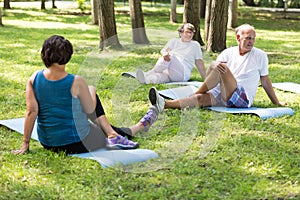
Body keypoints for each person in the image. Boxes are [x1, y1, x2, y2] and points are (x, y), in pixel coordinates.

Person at [12, 35, 158, 155]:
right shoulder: (76, 81)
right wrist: (92, 90)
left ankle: (120, 132)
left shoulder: (34, 78)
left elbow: (31, 112)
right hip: (78, 143)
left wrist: (25, 144)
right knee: (92, 97)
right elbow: (89, 110)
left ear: (44, 54)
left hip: (48, 143)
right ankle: (135, 128)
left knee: (91, 110)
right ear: (68, 56)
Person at [148, 24, 285, 112]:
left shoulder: (260, 55)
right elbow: (212, 73)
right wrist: (208, 91)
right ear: (238, 37)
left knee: (219, 67)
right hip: (222, 93)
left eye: (253, 38)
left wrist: (276, 103)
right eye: (248, 38)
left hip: (241, 98)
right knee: (201, 99)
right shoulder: (228, 52)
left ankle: (196, 93)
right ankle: (164, 104)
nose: (251, 42)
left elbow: (265, 81)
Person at [135, 23, 206, 84]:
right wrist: (164, 54)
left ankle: (149, 73)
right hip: (169, 72)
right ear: (181, 33)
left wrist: (205, 79)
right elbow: (163, 51)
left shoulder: (195, 45)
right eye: (187, 32)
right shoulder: (174, 41)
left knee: (171, 55)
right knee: (159, 77)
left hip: (182, 74)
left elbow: (199, 62)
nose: (189, 34)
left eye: (191, 32)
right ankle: (146, 80)